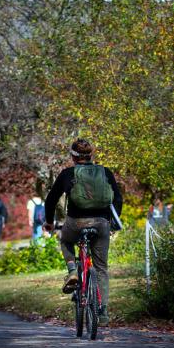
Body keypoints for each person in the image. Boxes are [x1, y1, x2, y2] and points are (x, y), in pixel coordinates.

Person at [45, 138, 123, 322]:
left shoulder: (68, 173)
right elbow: (118, 199)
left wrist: (49, 222)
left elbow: (50, 199)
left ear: (73, 156)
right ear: (91, 155)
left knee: (65, 240)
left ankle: (72, 270)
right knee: (101, 268)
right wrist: (111, 224)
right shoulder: (105, 172)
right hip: (101, 223)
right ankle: (102, 311)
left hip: (76, 222)